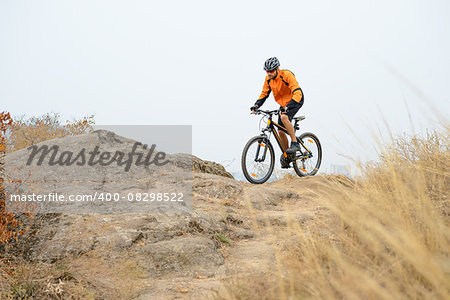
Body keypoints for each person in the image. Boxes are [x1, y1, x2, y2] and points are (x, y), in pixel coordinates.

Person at [250, 57, 304, 167]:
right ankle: (288, 155)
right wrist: (256, 105)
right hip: (283, 105)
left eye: (271, 71)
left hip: (295, 100)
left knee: (284, 117)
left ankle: (295, 143)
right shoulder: (268, 79)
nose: (269, 73)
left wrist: (288, 106)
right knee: (280, 131)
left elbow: (297, 91)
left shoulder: (286, 75)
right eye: (267, 71)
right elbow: (264, 94)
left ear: (277, 69)